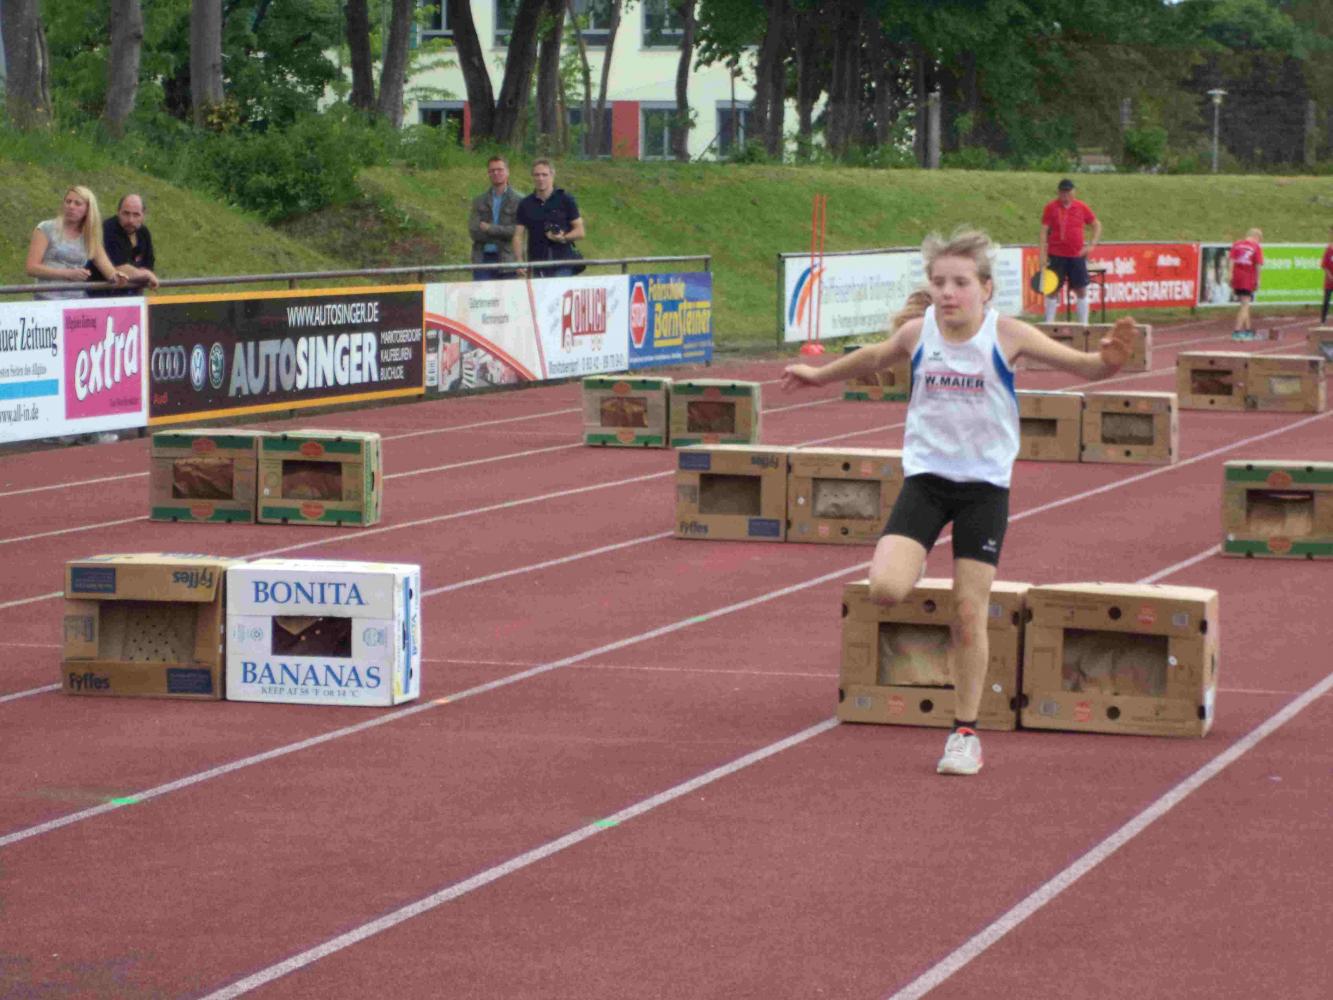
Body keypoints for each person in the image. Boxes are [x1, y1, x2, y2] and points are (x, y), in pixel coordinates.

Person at [782, 227, 1135, 777]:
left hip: (983, 490)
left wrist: (1108, 362)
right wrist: (817, 375)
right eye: (939, 282)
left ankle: (964, 734)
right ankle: (915, 556)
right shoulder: (918, 332)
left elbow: (1082, 367)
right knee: (886, 590)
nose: (948, 292)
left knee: (969, 613)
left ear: (986, 289)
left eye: (961, 283)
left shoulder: (1007, 334)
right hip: (926, 482)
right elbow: (872, 356)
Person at [25, 186, 126, 299]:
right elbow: (31, 268)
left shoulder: (90, 237)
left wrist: (117, 276)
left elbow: (108, 269)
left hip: (77, 301)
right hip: (47, 299)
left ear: (88, 210)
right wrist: (67, 274)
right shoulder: (46, 228)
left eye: (78, 204)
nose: (71, 206)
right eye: (68, 202)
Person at [1039, 178, 1101, 325]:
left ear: (1073, 192)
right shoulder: (1051, 207)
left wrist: (1091, 245)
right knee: (1052, 289)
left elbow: (1096, 225)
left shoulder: (1081, 207)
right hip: (1056, 255)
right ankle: (1049, 323)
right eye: (1062, 192)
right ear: (1058, 192)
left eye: (1067, 192)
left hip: (1076, 255)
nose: (1065, 195)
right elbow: (1043, 231)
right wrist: (1042, 253)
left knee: (1081, 289)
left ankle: (1084, 325)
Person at [513, 158, 585, 279]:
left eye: (544, 175)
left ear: (552, 175)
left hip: (563, 263)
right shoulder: (525, 204)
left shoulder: (566, 199)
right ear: (532, 177)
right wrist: (519, 260)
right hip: (536, 264)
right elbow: (518, 236)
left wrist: (563, 237)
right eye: (537, 175)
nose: (540, 178)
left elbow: (580, 231)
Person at [468, 157, 523, 281]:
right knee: (483, 293)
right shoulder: (479, 201)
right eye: (492, 170)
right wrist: (503, 234)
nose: (496, 173)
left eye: (500, 169)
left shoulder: (519, 200)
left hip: (508, 258)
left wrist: (490, 229)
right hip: (482, 259)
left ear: (507, 171)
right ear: (488, 173)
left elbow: (516, 231)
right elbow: (474, 231)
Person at [98, 193, 159, 295]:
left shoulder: (144, 233)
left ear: (143, 215)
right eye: (126, 214)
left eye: (136, 215)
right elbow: (119, 268)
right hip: (104, 295)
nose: (130, 220)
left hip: (133, 295)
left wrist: (144, 274)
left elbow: (148, 264)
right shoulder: (108, 229)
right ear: (118, 212)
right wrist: (146, 275)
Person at [1229, 228, 1264, 340]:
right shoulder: (1256, 247)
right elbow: (1258, 265)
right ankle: (1237, 331)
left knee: (1244, 304)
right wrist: (1258, 280)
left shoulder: (1236, 244)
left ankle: (1248, 330)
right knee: (1245, 305)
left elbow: (1231, 260)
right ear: (1256, 237)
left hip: (1237, 277)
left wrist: (1230, 275)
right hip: (1247, 279)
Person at [1320, 225, 1333, 326]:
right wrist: (1330, 276)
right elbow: (1324, 265)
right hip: (1329, 282)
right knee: (1326, 301)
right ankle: (1323, 321)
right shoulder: (1328, 249)